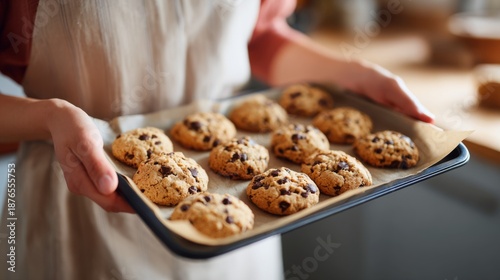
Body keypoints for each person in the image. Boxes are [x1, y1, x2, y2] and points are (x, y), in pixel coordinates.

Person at [0, 0, 434, 279]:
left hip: (234, 222)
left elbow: (257, 36)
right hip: (73, 205)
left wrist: (347, 74)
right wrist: (47, 117)